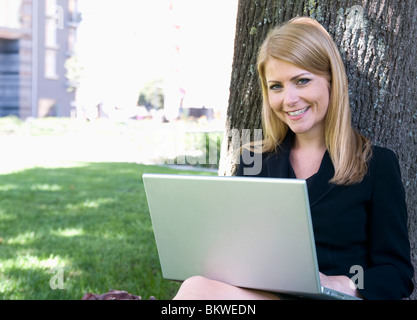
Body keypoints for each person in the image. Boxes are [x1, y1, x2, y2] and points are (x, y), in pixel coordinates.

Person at [173, 17, 414, 300]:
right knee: (195, 286)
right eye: (276, 86)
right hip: (265, 296)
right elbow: (235, 256)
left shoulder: (375, 165)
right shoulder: (253, 162)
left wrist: (344, 284)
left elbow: (397, 273)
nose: (289, 99)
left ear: (331, 82)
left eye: (302, 81)